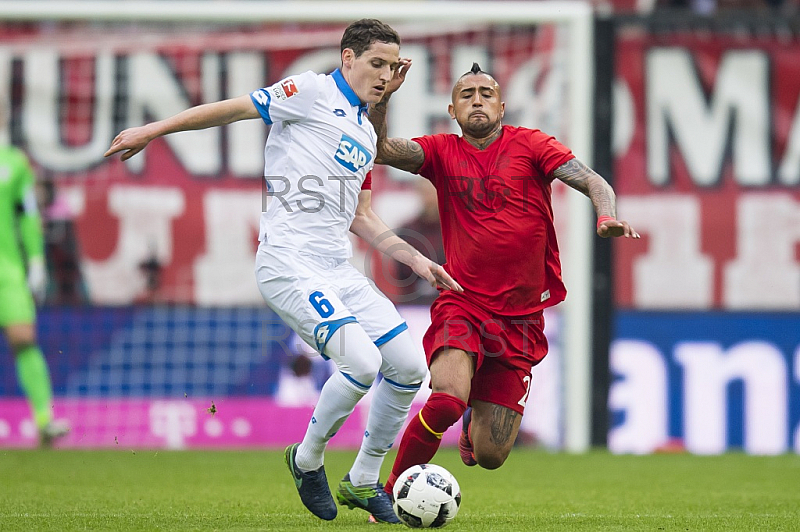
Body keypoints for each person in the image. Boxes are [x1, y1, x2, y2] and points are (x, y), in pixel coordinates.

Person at [104, 19, 462, 524]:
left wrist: (419, 261)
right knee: (360, 364)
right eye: (375, 64)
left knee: (407, 368)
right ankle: (306, 457)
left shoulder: (363, 128)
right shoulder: (311, 91)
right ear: (347, 59)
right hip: (289, 262)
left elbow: (361, 216)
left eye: (391, 66)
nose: (384, 75)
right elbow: (230, 110)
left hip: (337, 267)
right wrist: (153, 130)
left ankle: (362, 479)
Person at [367, 62, 640, 496]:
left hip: (522, 317)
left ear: (502, 105)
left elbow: (591, 180)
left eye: (486, 92)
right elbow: (379, 149)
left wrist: (606, 215)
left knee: (492, 456)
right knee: (446, 401)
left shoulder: (532, 145)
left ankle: (476, 429)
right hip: (463, 301)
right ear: (453, 111)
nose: (477, 99)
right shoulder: (440, 151)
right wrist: (382, 98)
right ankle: (387, 491)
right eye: (467, 94)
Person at [0, 104, 69, 447]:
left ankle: (44, 420)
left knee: (23, 337)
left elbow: (28, 215)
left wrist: (37, 261)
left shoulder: (14, 162)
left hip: (7, 268)